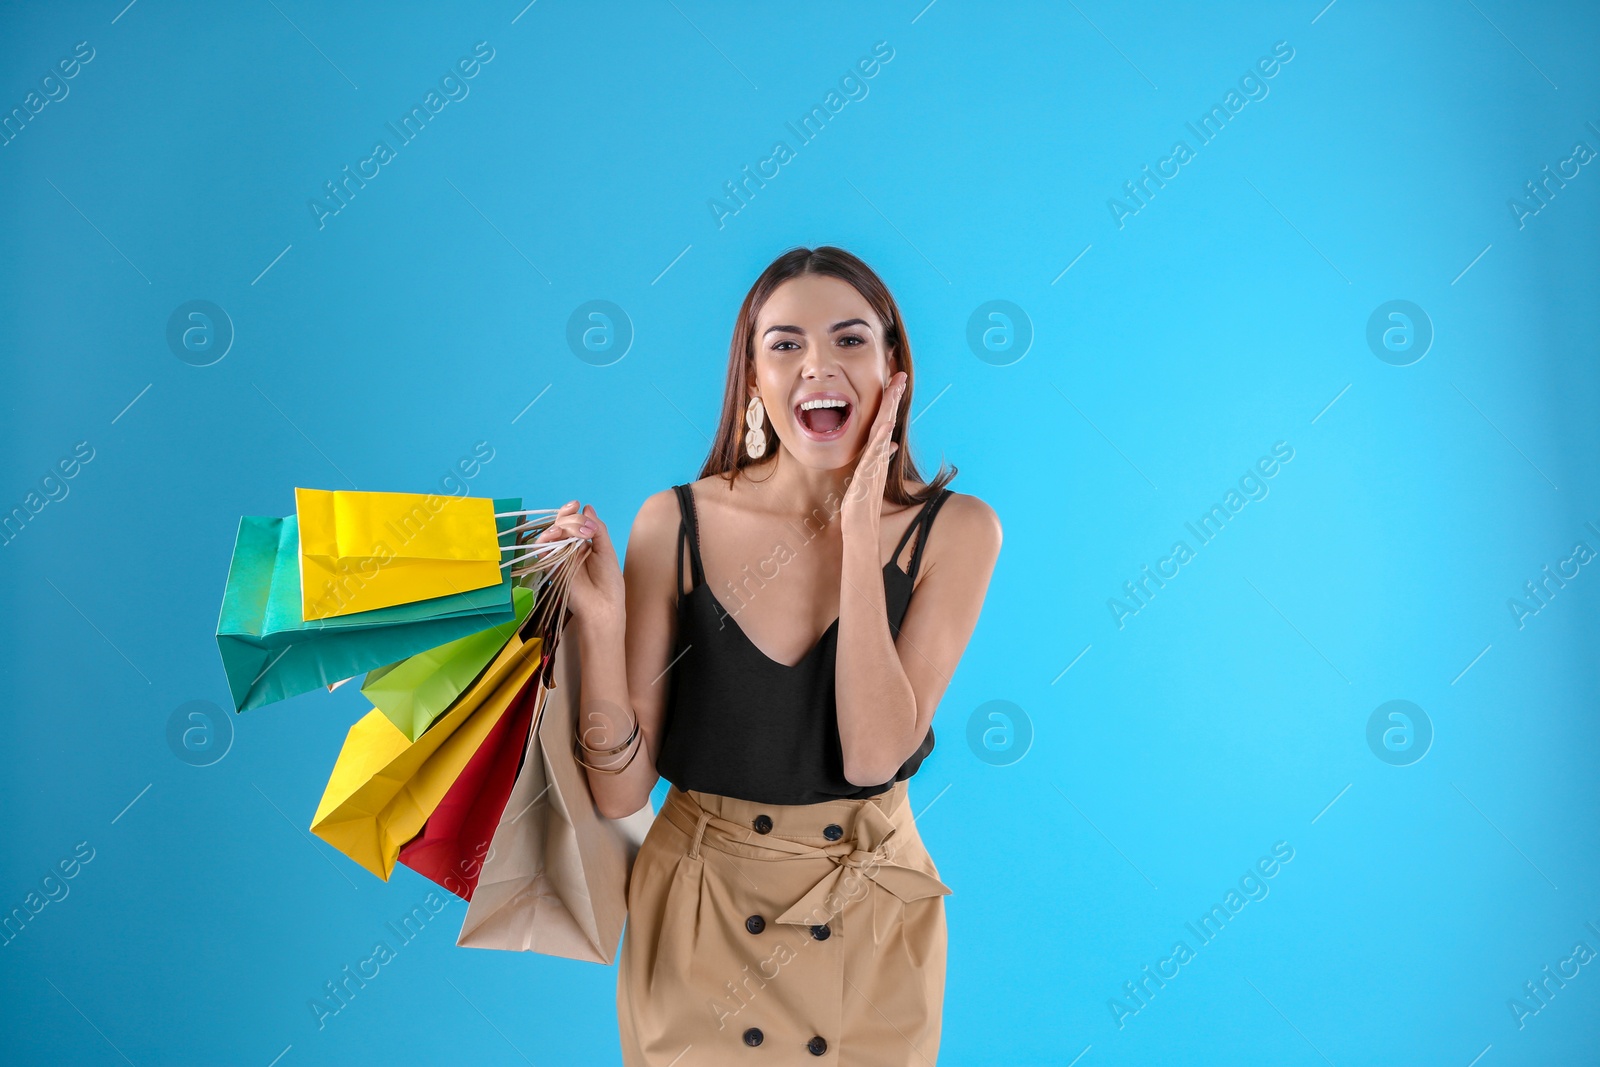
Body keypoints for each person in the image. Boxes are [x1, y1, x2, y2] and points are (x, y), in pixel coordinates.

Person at [533, 245, 1002, 1064]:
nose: (818, 364)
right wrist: (600, 628)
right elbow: (619, 792)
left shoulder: (956, 531)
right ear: (752, 379)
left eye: (851, 339)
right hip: (698, 918)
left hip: (870, 923)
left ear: (894, 367)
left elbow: (871, 756)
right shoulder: (671, 522)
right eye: (785, 344)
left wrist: (855, 526)